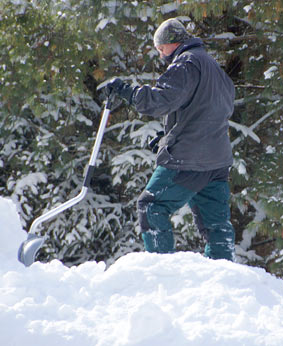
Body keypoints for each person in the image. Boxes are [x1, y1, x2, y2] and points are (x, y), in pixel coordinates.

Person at [106, 18, 236, 261]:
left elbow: (159, 101)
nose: (160, 54)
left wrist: (127, 91)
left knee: (152, 206)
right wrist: (169, 136)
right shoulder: (215, 69)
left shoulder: (185, 63)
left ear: (173, 43)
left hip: (188, 159)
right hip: (217, 161)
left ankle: (162, 271)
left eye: (161, 48)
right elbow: (211, 110)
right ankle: (225, 278)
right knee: (216, 226)